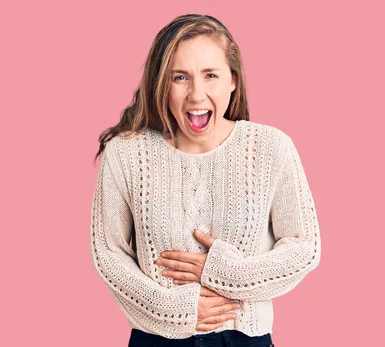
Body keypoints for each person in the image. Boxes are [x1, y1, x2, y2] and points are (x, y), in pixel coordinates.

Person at [90, 14, 321, 347]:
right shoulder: (126, 154)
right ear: (161, 84)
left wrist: (220, 271)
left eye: (210, 75)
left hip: (244, 339)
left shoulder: (271, 148)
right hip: (156, 339)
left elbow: (304, 249)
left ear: (233, 81)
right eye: (180, 77)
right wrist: (169, 307)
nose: (196, 94)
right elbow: (108, 253)